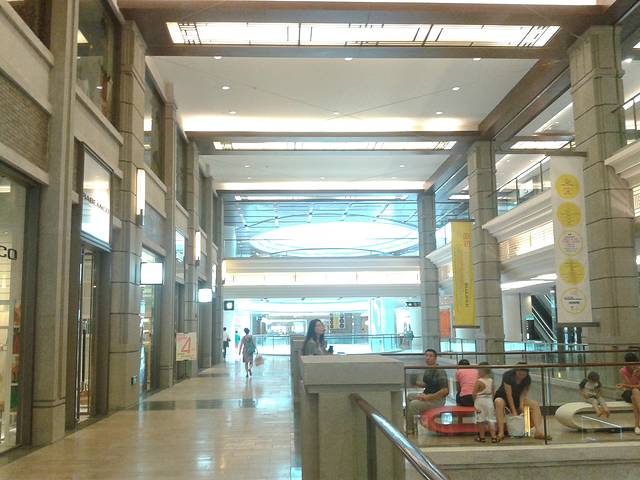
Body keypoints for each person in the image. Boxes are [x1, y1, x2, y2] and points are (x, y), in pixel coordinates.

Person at [494, 363, 550, 441]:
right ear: (515, 371)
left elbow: (523, 394)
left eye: (524, 374)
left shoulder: (527, 379)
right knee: (498, 402)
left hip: (517, 398)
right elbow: (509, 395)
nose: (521, 376)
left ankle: (538, 431)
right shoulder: (508, 376)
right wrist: (514, 411)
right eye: (520, 373)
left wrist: (521, 405)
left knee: (534, 404)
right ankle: (501, 432)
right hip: (503, 396)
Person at [406, 349, 449, 435]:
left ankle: (410, 429)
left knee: (414, 404)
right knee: (409, 396)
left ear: (435, 358)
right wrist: (415, 382)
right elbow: (427, 384)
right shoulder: (428, 370)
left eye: (430, 356)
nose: (428, 358)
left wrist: (428, 397)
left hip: (437, 400)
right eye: (426, 356)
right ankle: (413, 421)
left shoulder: (440, 371)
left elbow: (445, 391)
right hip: (428, 396)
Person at [616, 352, 640, 434]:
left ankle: (637, 426)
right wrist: (634, 375)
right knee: (634, 391)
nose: (634, 366)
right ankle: (637, 426)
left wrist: (624, 385)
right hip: (628, 392)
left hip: (636, 393)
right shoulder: (623, 370)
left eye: (635, 363)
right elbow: (630, 385)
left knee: (634, 397)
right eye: (631, 364)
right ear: (627, 363)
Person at [473, 362, 497, 443]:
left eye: (478, 370)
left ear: (481, 371)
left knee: (480, 420)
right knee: (491, 419)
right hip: (489, 400)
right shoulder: (491, 381)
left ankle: (482, 437)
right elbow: (493, 392)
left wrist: (474, 402)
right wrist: (492, 401)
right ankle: (493, 437)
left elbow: (474, 393)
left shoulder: (479, 381)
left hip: (480, 401)